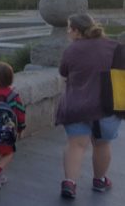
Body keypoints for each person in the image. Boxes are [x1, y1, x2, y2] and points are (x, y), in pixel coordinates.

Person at [57, 13, 122, 199]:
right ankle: (99, 181)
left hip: (76, 106)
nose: (68, 32)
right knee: (102, 145)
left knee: (75, 145)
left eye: (70, 28)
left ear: (77, 31)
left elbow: (64, 72)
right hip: (107, 108)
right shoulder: (115, 46)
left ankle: (69, 183)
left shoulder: (72, 50)